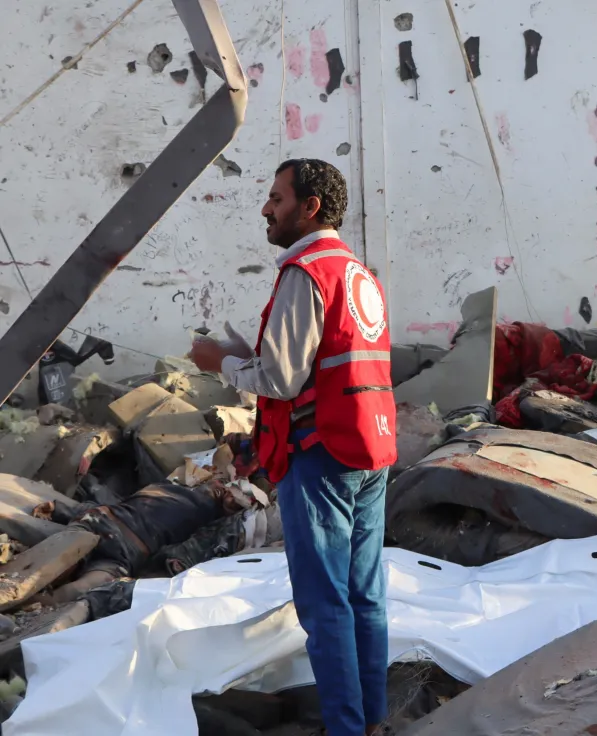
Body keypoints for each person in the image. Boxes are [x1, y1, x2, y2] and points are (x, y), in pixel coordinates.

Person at [189, 159, 397, 736]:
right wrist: (246, 356)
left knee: (325, 604)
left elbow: (280, 380)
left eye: (276, 198)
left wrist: (219, 362)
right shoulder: (357, 274)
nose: (266, 209)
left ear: (309, 208)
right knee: (364, 596)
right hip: (368, 446)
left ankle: (346, 728)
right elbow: (329, 362)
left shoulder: (305, 272)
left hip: (321, 453)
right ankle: (372, 722)